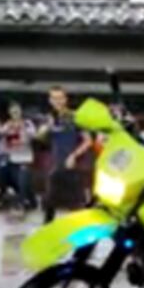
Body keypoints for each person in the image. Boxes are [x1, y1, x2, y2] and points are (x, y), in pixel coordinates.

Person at [37, 87, 94, 223]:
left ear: (65, 99)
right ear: (50, 100)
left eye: (60, 97)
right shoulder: (48, 119)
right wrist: (45, 129)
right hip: (56, 167)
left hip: (73, 167)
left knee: (77, 208)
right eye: (54, 98)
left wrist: (74, 155)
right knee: (49, 205)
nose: (58, 101)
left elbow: (88, 141)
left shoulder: (75, 117)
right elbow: (39, 138)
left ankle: (81, 240)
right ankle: (46, 236)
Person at [0, 103, 37, 213]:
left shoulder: (27, 123)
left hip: (26, 158)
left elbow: (34, 135)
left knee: (22, 181)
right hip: (13, 158)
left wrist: (23, 130)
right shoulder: (7, 125)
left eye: (17, 111)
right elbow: (3, 140)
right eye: (13, 112)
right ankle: (32, 201)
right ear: (10, 113)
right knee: (21, 183)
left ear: (21, 112)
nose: (15, 114)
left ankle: (21, 204)